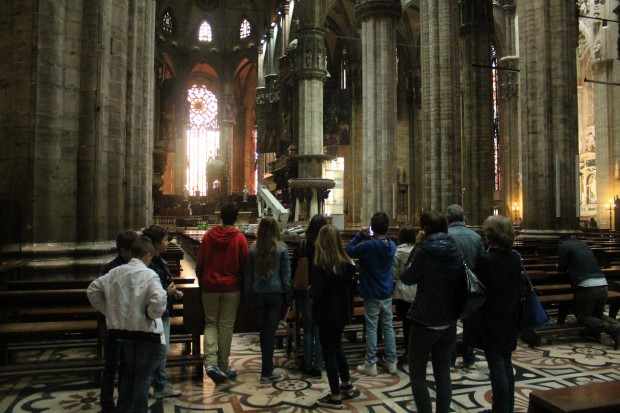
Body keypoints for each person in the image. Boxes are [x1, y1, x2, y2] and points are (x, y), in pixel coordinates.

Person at [87, 236, 167, 413]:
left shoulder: (115, 272)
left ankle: (123, 409)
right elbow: (160, 300)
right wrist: (151, 314)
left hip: (123, 332)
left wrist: (109, 310)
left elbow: (92, 289)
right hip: (146, 332)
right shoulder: (149, 274)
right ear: (147, 255)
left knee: (130, 372)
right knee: (143, 376)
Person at [400, 210, 463, 413]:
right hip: (449, 318)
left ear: (424, 229)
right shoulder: (455, 247)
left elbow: (407, 278)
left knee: (417, 375)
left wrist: (417, 246)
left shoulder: (424, 249)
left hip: (425, 319)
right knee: (442, 373)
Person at [468, 215, 522, 413]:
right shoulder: (515, 258)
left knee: (496, 364)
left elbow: (473, 285)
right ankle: (507, 406)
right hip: (510, 313)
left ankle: (501, 409)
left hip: (492, 317)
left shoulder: (487, 260)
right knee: (505, 361)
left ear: (491, 235)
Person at [195, 202, 249, 383]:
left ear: (220, 217)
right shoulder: (239, 238)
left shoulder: (209, 236)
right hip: (231, 287)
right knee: (226, 326)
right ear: (236, 218)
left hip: (210, 286)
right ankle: (223, 365)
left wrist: (203, 280)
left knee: (210, 324)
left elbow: (200, 262)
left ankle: (210, 363)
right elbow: (244, 264)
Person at [311, 225, 358, 409]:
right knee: (337, 347)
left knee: (329, 352)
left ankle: (335, 396)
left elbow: (317, 292)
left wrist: (311, 291)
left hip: (326, 314)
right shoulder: (347, 264)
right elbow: (353, 290)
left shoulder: (320, 264)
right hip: (342, 313)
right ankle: (346, 383)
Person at [346, 211, 397, 376]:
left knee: (372, 328)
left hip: (372, 292)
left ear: (372, 228)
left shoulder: (369, 245)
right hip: (386, 292)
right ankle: (391, 361)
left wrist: (360, 235)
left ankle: (371, 362)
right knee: (388, 327)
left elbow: (349, 250)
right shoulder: (392, 245)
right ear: (387, 228)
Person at [243, 216, 292, 383]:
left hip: (258, 293)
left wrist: (247, 296)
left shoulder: (253, 249)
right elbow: (286, 277)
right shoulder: (281, 249)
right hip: (276, 294)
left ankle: (267, 368)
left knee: (264, 332)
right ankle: (267, 371)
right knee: (269, 332)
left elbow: (248, 276)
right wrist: (289, 297)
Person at [98, 230, 138, 413]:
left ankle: (124, 401)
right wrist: (108, 312)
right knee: (111, 364)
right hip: (112, 325)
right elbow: (96, 293)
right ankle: (107, 403)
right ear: (123, 250)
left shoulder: (133, 267)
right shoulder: (110, 269)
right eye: (132, 250)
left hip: (128, 324)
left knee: (126, 364)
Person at [141, 225, 183, 399]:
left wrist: (172, 292)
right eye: (166, 239)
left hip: (163, 309)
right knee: (161, 351)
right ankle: (143, 379)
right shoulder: (150, 264)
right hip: (157, 312)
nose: (168, 242)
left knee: (161, 352)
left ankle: (160, 385)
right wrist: (168, 292)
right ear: (157, 242)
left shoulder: (156, 260)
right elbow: (151, 292)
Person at [557, 235, 620, 349]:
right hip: (602, 282)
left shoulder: (564, 246)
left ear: (561, 240)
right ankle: (616, 325)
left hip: (586, 285)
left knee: (583, 316)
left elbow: (562, 267)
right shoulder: (584, 244)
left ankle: (613, 329)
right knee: (597, 315)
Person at [446, 204, 485, 370]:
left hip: (451, 287)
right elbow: (482, 262)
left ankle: (450, 359)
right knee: (470, 323)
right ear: (463, 218)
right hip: (471, 287)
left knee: (450, 324)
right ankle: (469, 357)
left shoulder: (445, 236)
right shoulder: (476, 237)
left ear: (448, 218)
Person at [291, 214, 327, 377]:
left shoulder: (303, 243)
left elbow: (294, 266)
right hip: (322, 291)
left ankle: (307, 364)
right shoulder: (326, 245)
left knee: (308, 330)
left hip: (306, 290)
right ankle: (318, 366)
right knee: (320, 330)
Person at [391, 225, 417, 362]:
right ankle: (418, 351)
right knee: (417, 323)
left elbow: (393, 273)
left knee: (406, 324)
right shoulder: (419, 250)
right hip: (418, 291)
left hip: (404, 290)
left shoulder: (398, 252)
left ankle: (408, 351)